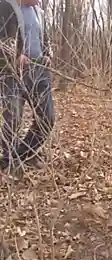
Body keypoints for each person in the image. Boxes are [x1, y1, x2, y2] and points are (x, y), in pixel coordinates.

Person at [0, 0, 55, 178]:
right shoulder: (5, 6)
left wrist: (47, 53)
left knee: (47, 118)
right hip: (13, 73)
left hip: (39, 71)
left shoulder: (39, 11)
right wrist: (15, 56)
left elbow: (44, 36)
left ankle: (23, 154)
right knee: (13, 117)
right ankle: (9, 161)